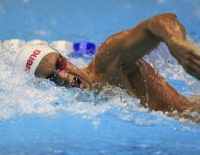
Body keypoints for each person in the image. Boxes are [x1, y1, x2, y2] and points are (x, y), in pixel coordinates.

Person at [14, 13, 200, 122]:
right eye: (51, 78)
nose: (63, 76)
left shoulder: (107, 63)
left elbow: (160, 21)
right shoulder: (80, 111)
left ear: (64, 57)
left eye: (58, 64)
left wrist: (175, 43)